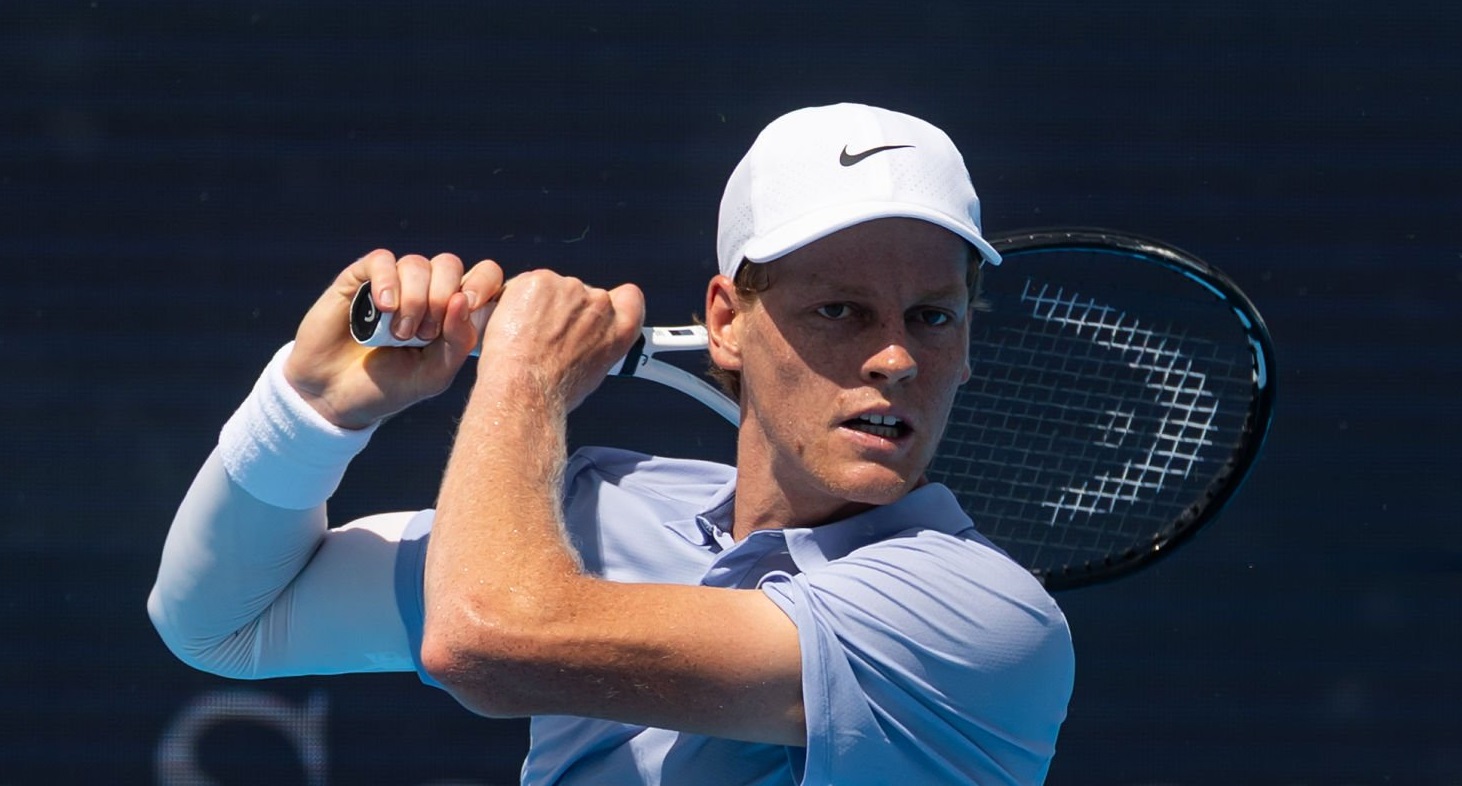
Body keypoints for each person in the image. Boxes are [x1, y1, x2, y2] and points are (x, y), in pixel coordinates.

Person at [149, 103, 1075, 785]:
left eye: (933, 316)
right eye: (841, 310)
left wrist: (525, 379)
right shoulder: (598, 514)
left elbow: (487, 639)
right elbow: (225, 626)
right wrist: (310, 410)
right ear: (726, 322)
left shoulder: (982, 621)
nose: (896, 358)